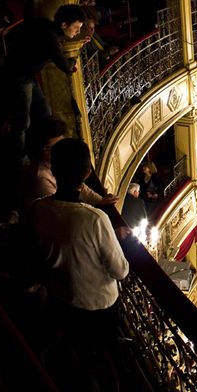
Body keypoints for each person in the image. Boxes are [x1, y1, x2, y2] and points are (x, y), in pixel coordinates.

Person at [31, 138, 129, 352]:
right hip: (97, 305)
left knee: (76, 347)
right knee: (102, 352)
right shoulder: (95, 219)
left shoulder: (39, 207)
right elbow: (119, 270)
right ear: (86, 174)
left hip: (61, 298)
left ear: (54, 169)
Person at [5, 4, 86, 162]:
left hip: (26, 74)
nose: (77, 32)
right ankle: (20, 159)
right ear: (64, 25)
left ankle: (41, 145)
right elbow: (65, 67)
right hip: (19, 76)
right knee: (22, 121)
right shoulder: (51, 38)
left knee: (45, 111)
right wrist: (74, 60)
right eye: (76, 28)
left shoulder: (47, 27)